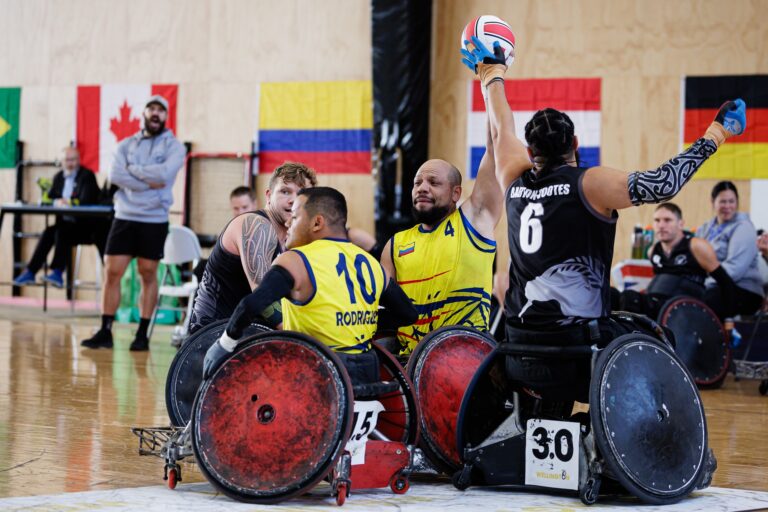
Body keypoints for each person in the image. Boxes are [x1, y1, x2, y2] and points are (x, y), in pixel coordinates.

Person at [461, 35, 746, 398]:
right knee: (661, 337)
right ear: (575, 145)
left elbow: (502, 127)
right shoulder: (590, 183)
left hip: (520, 349)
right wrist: (716, 132)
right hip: (580, 352)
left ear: (530, 151)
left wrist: (491, 73)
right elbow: (665, 183)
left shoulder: (512, 177)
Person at [202, 187, 417, 385]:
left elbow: (252, 304)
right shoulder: (372, 264)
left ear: (316, 223)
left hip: (315, 375)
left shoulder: (297, 260)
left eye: (294, 218)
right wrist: (352, 319)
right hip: (365, 375)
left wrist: (225, 343)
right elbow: (408, 314)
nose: (287, 223)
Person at [380, 127, 500, 356]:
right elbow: (384, 310)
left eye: (433, 182)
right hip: (410, 365)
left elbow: (495, 147)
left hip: (466, 360)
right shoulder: (395, 245)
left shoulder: (474, 221)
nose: (422, 187)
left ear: (456, 194)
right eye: (417, 183)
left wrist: (491, 90)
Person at [81, 94, 186, 351]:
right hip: (124, 216)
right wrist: (148, 179)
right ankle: (105, 331)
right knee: (112, 272)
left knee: (147, 274)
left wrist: (134, 171)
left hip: (154, 218)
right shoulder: (125, 145)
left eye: (160, 110)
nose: (155, 113)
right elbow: (116, 174)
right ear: (144, 113)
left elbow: (165, 175)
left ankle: (142, 335)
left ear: (165, 116)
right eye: (151, 108)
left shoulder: (175, 147)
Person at [188, 162, 317, 335]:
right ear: (269, 195)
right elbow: (265, 300)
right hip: (211, 338)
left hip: (247, 335)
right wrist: (313, 335)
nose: (293, 200)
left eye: (301, 193)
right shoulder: (256, 225)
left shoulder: (292, 240)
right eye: (285, 191)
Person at [620, 202, 737, 317]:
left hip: (685, 309)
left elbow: (726, 283)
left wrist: (728, 319)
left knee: (629, 299)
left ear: (680, 224)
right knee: (616, 297)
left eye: (667, 220)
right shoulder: (652, 251)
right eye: (657, 220)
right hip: (656, 304)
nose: (661, 225)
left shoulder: (696, 246)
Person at [13, 147, 103, 288]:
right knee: (49, 232)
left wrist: (66, 202)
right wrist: (57, 202)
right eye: (67, 160)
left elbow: (86, 200)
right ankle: (30, 272)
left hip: (87, 228)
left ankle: (57, 272)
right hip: (64, 225)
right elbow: (49, 198)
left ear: (79, 160)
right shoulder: (58, 177)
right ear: (62, 161)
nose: (70, 163)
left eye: (73, 159)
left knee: (61, 232)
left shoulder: (87, 176)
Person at [695, 181, 764, 318]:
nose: (727, 206)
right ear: (713, 202)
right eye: (722, 202)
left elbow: (735, 269)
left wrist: (705, 282)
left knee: (706, 299)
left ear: (737, 203)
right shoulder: (705, 228)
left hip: (744, 290)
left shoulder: (744, 227)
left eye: (731, 201)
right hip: (715, 285)